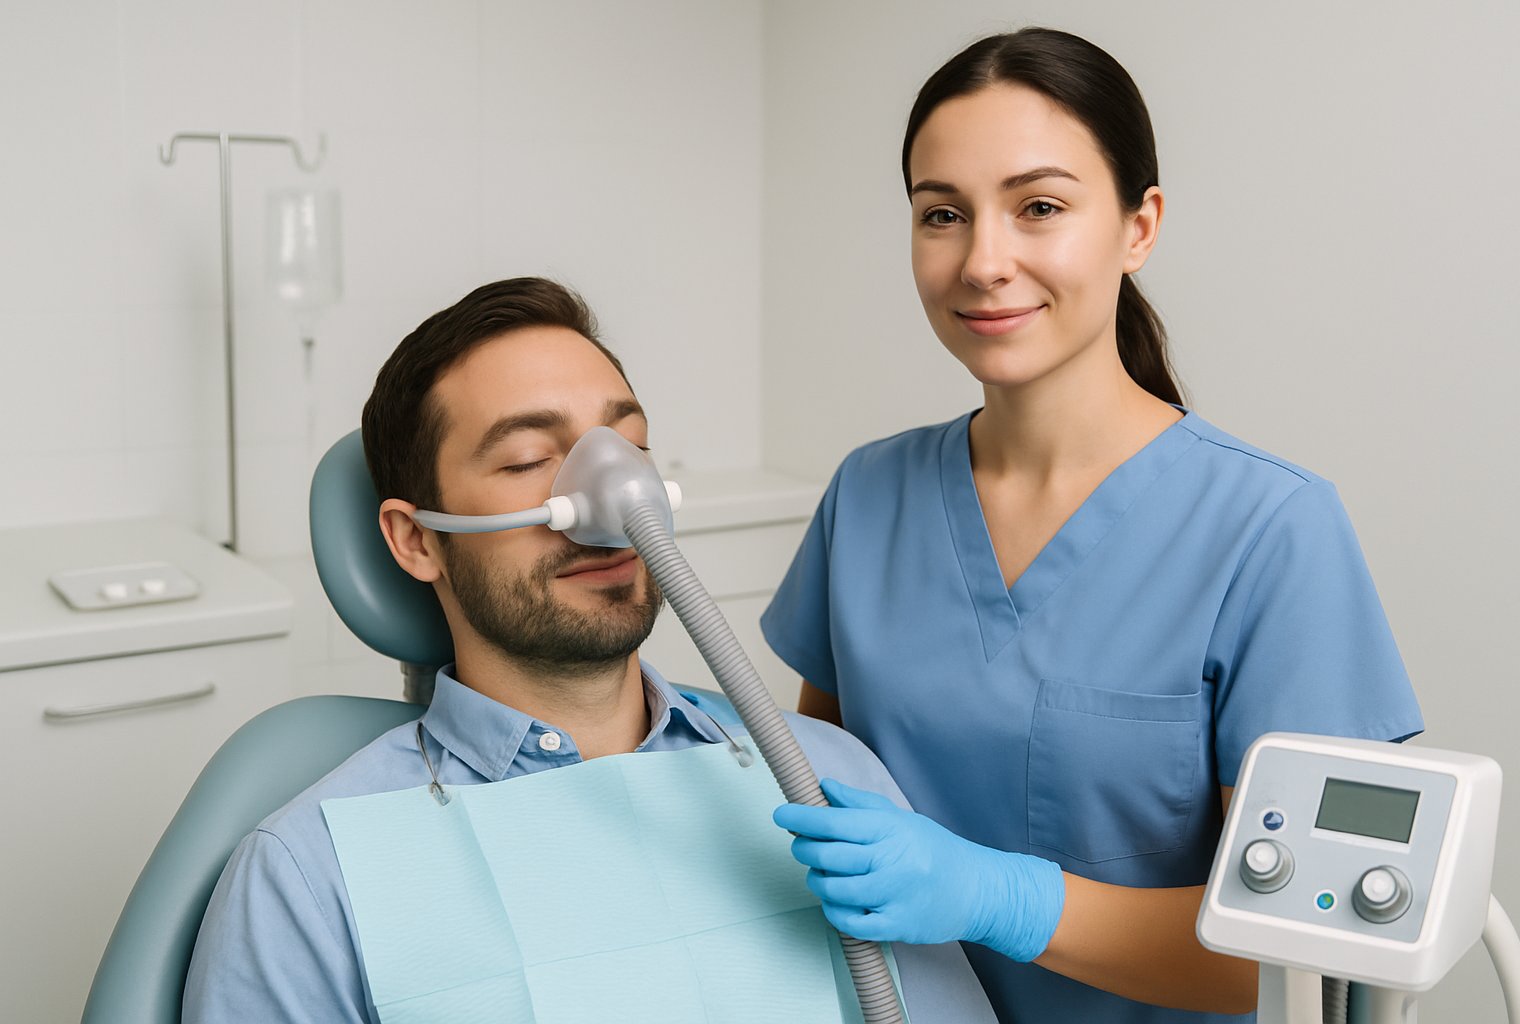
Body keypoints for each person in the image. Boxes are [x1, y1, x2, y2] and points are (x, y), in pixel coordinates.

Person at [763, 27, 1424, 1024]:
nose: (985, 261)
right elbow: (815, 801)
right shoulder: (868, 497)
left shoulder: (1271, 531)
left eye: (1039, 207)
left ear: (1138, 225)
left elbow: (1312, 962)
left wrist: (1004, 898)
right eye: (942, 214)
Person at [182, 278, 996, 1022]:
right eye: (531, 459)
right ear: (415, 540)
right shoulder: (308, 876)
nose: (607, 495)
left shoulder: (831, 785)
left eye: (628, 448)